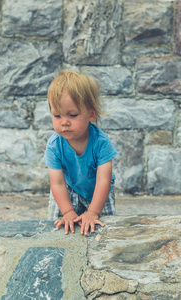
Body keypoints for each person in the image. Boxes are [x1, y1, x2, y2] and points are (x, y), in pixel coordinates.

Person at [43, 70, 118, 235]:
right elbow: (57, 183)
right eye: (57, 115)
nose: (64, 122)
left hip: (98, 190)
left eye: (73, 115)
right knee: (57, 227)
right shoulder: (55, 145)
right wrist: (68, 211)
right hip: (68, 188)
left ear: (90, 114)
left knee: (105, 228)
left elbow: (103, 181)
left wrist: (93, 212)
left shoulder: (101, 143)